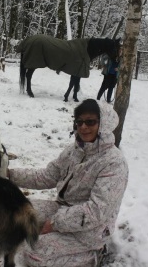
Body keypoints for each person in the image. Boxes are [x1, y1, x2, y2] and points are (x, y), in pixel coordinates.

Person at [7, 99, 128, 267]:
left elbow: (96, 211)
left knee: (34, 252)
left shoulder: (114, 163)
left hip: (91, 231)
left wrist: (55, 223)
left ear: (104, 124)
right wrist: (9, 174)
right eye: (79, 122)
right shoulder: (75, 150)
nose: (83, 126)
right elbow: (47, 176)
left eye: (90, 122)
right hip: (63, 209)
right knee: (15, 213)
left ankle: (94, 255)